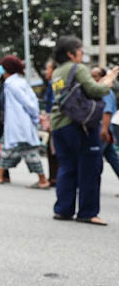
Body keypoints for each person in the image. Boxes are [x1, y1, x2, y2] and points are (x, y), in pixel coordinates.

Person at [50, 35, 118, 225]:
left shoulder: (56, 72)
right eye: (80, 50)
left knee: (66, 167)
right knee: (90, 166)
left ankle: (63, 209)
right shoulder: (77, 68)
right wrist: (108, 80)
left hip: (59, 125)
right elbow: (95, 91)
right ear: (71, 54)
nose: (82, 54)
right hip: (79, 125)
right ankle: (88, 212)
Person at [0, 55, 50, 188]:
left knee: (29, 152)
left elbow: (29, 104)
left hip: (19, 125)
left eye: (2, 67)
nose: (0, 69)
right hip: (17, 125)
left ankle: (42, 180)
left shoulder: (13, 85)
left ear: (7, 69)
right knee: (7, 148)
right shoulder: (17, 82)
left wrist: (35, 117)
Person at [91, 66, 119, 183]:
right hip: (106, 130)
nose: (93, 79)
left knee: (93, 159)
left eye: (95, 77)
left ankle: (90, 182)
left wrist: (104, 130)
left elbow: (107, 111)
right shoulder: (99, 91)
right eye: (91, 76)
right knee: (112, 158)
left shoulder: (105, 91)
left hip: (103, 130)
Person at [42, 59, 59, 186]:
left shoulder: (57, 83)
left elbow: (55, 102)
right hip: (51, 119)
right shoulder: (50, 83)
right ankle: (53, 177)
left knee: (55, 150)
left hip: (56, 120)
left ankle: (56, 178)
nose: (46, 71)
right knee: (51, 149)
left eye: (48, 68)